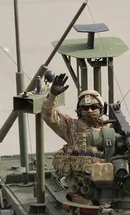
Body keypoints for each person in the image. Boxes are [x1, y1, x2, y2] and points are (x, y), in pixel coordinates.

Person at [41, 72, 109, 205]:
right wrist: (52, 95)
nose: (89, 110)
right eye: (85, 108)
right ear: (79, 110)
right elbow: (48, 116)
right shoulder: (72, 127)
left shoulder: (111, 130)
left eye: (93, 107)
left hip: (106, 185)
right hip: (81, 186)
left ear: (101, 109)